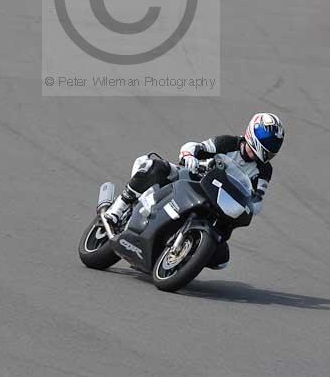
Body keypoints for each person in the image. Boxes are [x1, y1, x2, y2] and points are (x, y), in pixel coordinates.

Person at [103, 112, 285, 269]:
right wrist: (190, 156)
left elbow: (258, 197)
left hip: (223, 205)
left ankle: (186, 253)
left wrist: (253, 204)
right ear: (253, 134)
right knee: (156, 167)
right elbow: (196, 147)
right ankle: (117, 210)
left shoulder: (264, 170)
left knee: (220, 258)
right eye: (269, 142)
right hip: (197, 181)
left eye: (275, 144)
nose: (271, 149)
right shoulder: (228, 143)